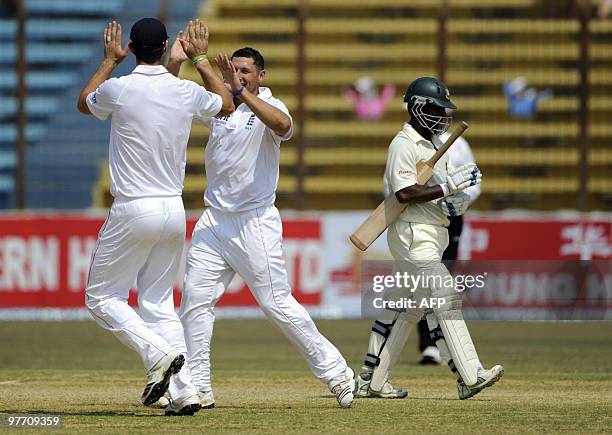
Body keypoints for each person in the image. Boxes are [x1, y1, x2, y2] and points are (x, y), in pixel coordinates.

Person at [173, 46, 356, 409]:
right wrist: (180, 57)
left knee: (276, 303)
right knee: (194, 302)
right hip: (214, 220)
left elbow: (283, 126)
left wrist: (240, 93)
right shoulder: (220, 106)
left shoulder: (273, 105)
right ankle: (199, 386)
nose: (239, 75)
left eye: (245, 71)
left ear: (261, 76)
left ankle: (337, 372)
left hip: (254, 221)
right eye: (234, 70)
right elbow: (170, 91)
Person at [77, 18, 233, 415]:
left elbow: (85, 102)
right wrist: (199, 59)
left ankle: (157, 356)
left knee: (100, 297)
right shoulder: (183, 90)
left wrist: (110, 61)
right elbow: (226, 104)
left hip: (134, 207)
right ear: (165, 47)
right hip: (173, 209)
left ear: (131, 46)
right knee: (159, 304)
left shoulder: (120, 88)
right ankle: (186, 392)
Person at [354, 77, 503, 400]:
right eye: (435, 108)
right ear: (417, 107)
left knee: (405, 308)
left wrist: (454, 200)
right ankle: (470, 374)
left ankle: (372, 380)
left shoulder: (436, 144)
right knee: (445, 297)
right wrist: (447, 188)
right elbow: (405, 192)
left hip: (435, 231)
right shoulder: (403, 144)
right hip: (413, 234)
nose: (441, 115)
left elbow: (433, 191)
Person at [417, 132, 481, 366]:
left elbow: (475, 180)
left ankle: (444, 344)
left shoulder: (459, 144)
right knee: (425, 283)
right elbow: (393, 186)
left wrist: (460, 201)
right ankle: (430, 345)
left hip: (452, 219)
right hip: (421, 220)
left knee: (443, 282)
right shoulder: (408, 142)